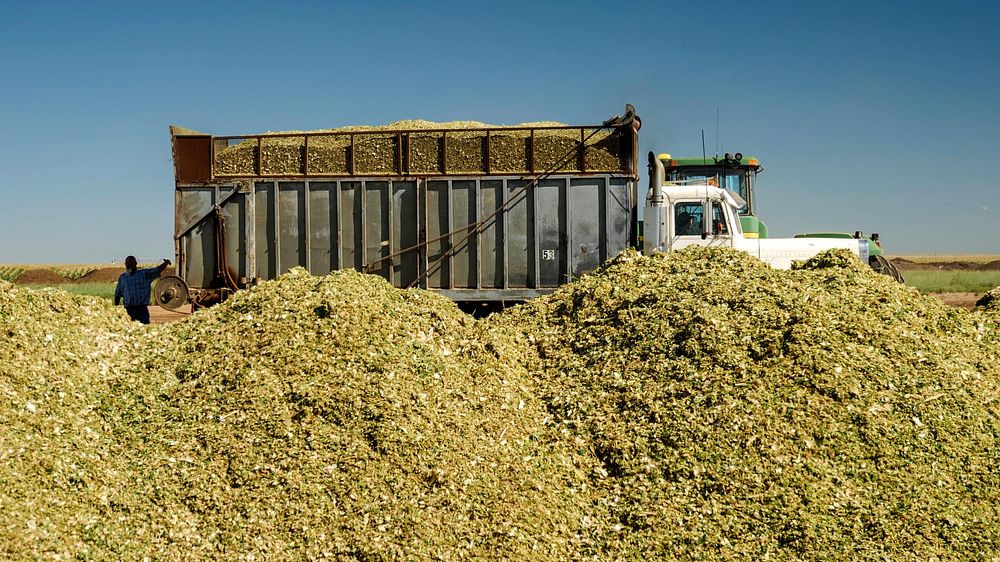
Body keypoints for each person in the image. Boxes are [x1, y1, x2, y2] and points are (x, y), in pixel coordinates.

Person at [114, 256, 171, 324]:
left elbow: (157, 270)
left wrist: (165, 263)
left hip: (141, 309)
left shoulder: (144, 274)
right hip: (129, 310)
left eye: (131, 262)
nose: (129, 264)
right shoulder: (123, 277)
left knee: (144, 326)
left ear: (136, 263)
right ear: (125, 264)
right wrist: (115, 309)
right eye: (127, 263)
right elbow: (117, 294)